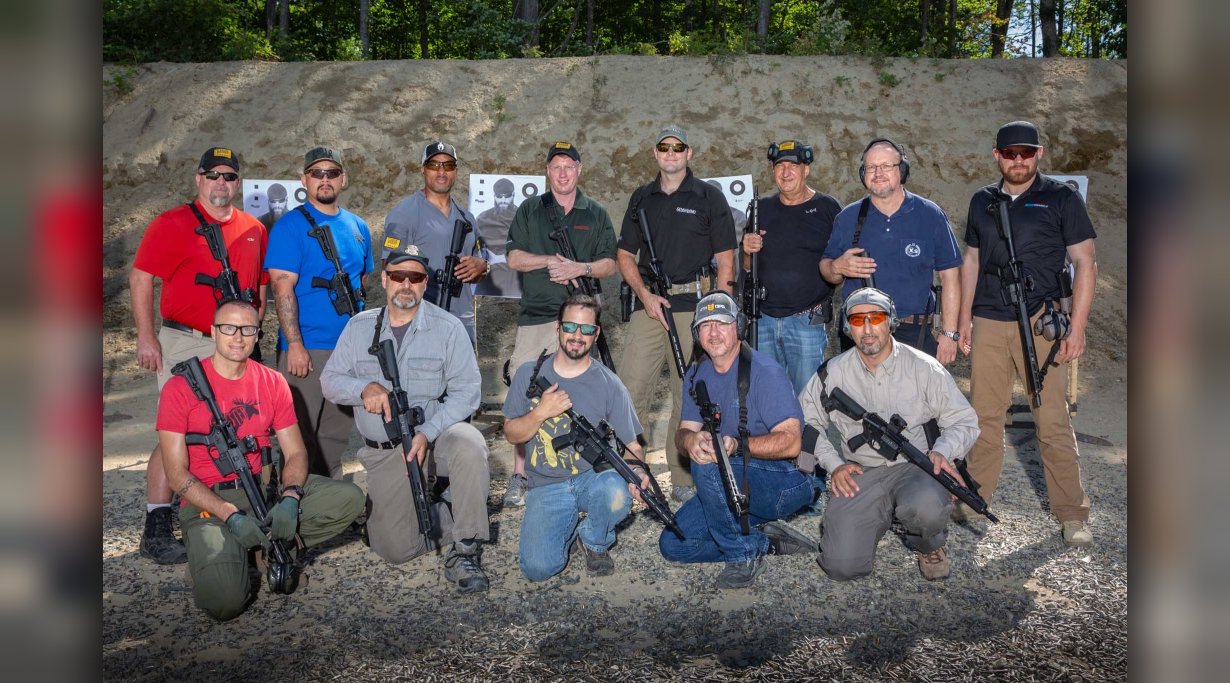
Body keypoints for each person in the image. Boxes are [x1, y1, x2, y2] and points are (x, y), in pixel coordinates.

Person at [157, 299, 364, 620]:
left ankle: (260, 549)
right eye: (228, 328)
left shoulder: (272, 381)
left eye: (247, 329)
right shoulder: (179, 387)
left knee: (349, 499)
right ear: (213, 332)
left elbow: (295, 452)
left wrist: (291, 498)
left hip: (264, 492)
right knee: (224, 604)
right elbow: (175, 475)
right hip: (208, 505)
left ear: (257, 336)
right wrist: (229, 515)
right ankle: (217, 557)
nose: (237, 337)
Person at [321, 242, 491, 592]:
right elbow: (330, 382)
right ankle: (447, 507)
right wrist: (363, 389)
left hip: (433, 440)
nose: (406, 284)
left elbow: (468, 393)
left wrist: (428, 432)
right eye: (398, 275)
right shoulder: (359, 327)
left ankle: (466, 548)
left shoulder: (448, 328)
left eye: (415, 277)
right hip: (385, 453)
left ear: (425, 283)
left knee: (470, 444)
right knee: (396, 550)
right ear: (384, 279)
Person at [957, 120, 1098, 546]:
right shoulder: (982, 200)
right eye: (1010, 153)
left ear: (1038, 155)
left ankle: (1072, 514)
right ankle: (972, 499)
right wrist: (963, 318)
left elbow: (1086, 263)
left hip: (1041, 320)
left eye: (1026, 153)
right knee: (983, 416)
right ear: (997, 156)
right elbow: (972, 260)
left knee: (1052, 418)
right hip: (990, 320)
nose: (1018, 160)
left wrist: (1078, 326)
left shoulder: (1061, 197)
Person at [129, 146, 269, 564]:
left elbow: (258, 287)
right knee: (178, 430)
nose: (220, 183)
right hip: (186, 340)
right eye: (213, 175)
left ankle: (230, 508)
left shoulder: (253, 229)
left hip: (236, 342)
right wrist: (145, 337)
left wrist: (252, 332)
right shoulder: (171, 223)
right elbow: (141, 278)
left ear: (238, 182)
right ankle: (156, 524)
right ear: (198, 179)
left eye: (229, 176)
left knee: (236, 423)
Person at [798, 288, 979, 581]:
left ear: (890, 321)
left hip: (915, 468)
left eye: (876, 318)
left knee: (927, 509)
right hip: (862, 472)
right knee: (841, 566)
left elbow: (965, 421)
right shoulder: (832, 373)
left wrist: (942, 452)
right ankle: (881, 518)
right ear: (848, 327)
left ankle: (927, 542)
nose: (868, 329)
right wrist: (834, 465)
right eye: (858, 320)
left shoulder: (924, 367)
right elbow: (806, 424)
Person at [661, 291, 816, 589]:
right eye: (705, 325)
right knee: (674, 544)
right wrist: (691, 440)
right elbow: (683, 432)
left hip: (786, 481)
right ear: (696, 333)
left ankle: (741, 553)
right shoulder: (695, 375)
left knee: (711, 463)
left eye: (722, 323)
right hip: (735, 480)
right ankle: (761, 539)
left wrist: (735, 445)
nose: (714, 332)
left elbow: (792, 443)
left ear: (738, 328)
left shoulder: (764, 372)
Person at [617, 124, 737, 504]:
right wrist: (644, 294)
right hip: (649, 307)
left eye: (678, 147)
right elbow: (624, 255)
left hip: (694, 307)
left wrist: (717, 311)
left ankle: (682, 476)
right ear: (655, 154)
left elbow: (725, 259)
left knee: (685, 393)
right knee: (630, 387)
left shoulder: (708, 196)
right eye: (664, 147)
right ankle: (629, 470)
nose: (671, 153)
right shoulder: (641, 197)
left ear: (689, 153)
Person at [501, 141, 618, 507]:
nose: (563, 172)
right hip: (537, 317)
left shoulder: (595, 212)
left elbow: (609, 264)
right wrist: (549, 261)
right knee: (524, 395)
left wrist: (578, 268)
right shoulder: (530, 210)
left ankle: (579, 469)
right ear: (548, 171)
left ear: (580, 170)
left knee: (582, 394)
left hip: (580, 321)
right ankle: (520, 475)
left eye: (570, 165)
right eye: (557, 166)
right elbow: (513, 258)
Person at [503, 294, 651, 581]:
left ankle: (595, 541)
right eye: (570, 327)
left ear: (596, 334)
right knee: (539, 569)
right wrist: (540, 413)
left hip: (591, 477)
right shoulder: (528, 374)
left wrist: (637, 472)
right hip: (546, 484)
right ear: (558, 328)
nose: (577, 336)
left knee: (616, 492)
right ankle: (567, 528)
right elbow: (511, 433)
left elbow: (633, 446)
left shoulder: (610, 383)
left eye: (585, 329)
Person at [265, 146, 373, 479]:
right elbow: (282, 289)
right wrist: (294, 344)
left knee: (336, 432)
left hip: (348, 349)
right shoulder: (290, 227)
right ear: (304, 180)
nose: (324, 180)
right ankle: (293, 510)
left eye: (331, 173)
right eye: (316, 173)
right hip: (307, 348)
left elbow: (362, 281)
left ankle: (328, 506)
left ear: (343, 179)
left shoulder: (358, 227)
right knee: (299, 434)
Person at [820, 137, 962, 363]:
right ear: (862, 174)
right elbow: (826, 269)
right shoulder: (848, 217)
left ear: (902, 171)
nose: (878, 172)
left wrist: (949, 333)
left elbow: (950, 276)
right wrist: (838, 266)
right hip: (861, 331)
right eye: (871, 167)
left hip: (914, 332)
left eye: (886, 166)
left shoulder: (930, 215)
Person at [740, 139, 842, 394]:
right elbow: (746, 267)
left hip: (806, 322)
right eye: (779, 166)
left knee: (807, 399)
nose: (785, 172)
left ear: (806, 169)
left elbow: (840, 263)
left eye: (793, 166)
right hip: (762, 320)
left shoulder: (828, 208)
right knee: (766, 396)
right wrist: (746, 250)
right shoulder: (760, 208)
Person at [383, 141, 490, 342]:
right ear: (423, 170)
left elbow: (478, 268)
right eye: (434, 165)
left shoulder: (467, 218)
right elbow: (389, 270)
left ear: (455, 172)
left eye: (448, 166)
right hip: (419, 321)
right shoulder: (403, 214)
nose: (441, 172)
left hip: (461, 321)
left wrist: (482, 268)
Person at [475, 177, 521, 297]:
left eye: (507, 196)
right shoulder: (482, 218)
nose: (503, 200)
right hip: (488, 276)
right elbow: (474, 247)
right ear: (494, 196)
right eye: (499, 197)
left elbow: (532, 247)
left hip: (517, 276)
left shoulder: (523, 218)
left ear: (513, 195)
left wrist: (502, 258)